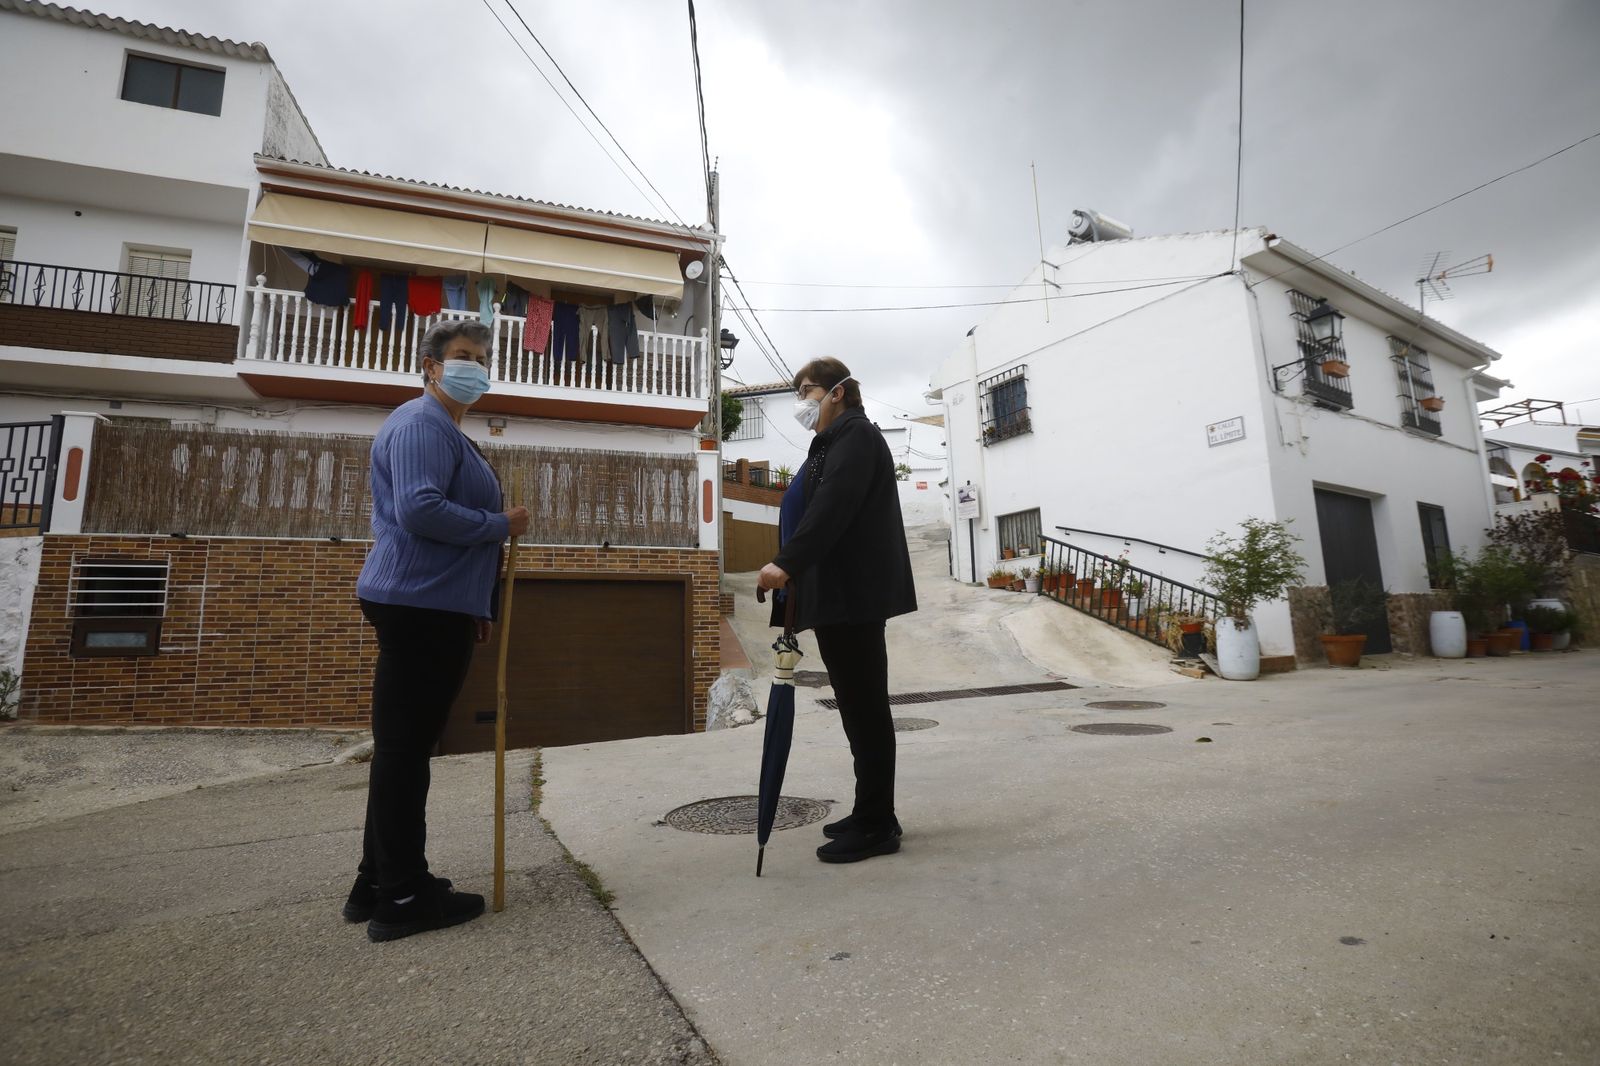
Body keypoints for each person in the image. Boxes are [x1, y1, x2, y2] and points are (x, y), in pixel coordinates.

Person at [346, 319, 530, 942]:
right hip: (418, 604)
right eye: (460, 356)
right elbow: (419, 509)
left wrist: (473, 603)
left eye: (481, 358)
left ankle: (378, 880)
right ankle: (401, 897)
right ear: (430, 365)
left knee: (403, 748)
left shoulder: (442, 427)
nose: (473, 366)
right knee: (405, 752)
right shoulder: (422, 423)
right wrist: (499, 523)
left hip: (434, 604)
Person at [757, 358, 917, 863]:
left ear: (839, 393)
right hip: (837, 599)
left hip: (853, 599)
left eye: (809, 391)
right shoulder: (834, 441)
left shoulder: (857, 438)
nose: (802, 402)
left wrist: (785, 563)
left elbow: (834, 507)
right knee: (857, 711)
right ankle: (873, 811)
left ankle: (875, 825)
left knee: (866, 711)